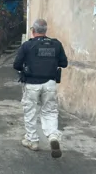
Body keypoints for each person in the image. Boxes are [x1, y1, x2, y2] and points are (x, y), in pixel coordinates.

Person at [13, 18, 68, 158]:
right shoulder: (56, 44)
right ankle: (53, 136)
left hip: (31, 84)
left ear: (33, 31)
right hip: (50, 83)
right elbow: (64, 63)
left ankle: (33, 141)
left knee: (30, 111)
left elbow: (16, 64)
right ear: (45, 31)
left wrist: (25, 68)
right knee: (49, 111)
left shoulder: (27, 45)